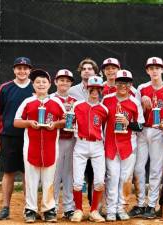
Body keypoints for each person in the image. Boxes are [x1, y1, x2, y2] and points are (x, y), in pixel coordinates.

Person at [14, 69, 66, 223]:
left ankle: (48, 209)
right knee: (31, 179)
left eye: (44, 82)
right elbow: (16, 122)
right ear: (33, 85)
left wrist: (55, 124)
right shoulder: (28, 102)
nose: (41, 84)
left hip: (51, 147)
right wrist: (29, 123)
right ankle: (30, 209)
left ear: (50, 84)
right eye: (37, 82)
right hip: (31, 147)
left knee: (49, 179)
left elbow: (65, 121)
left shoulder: (56, 102)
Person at [129, 57, 163, 219]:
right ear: (147, 71)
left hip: (159, 132)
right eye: (151, 68)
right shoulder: (141, 88)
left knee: (156, 169)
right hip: (143, 131)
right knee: (138, 168)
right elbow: (135, 113)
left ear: (162, 70)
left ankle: (151, 205)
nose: (154, 70)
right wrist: (142, 103)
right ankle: (141, 203)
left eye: (157, 68)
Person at [0, 57, 34, 220]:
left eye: (25, 68)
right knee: (8, 172)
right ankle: (5, 207)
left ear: (30, 70)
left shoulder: (35, 87)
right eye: (19, 68)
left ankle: (29, 208)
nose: (22, 71)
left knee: (27, 173)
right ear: (14, 70)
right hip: (8, 136)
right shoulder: (5, 88)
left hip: (30, 136)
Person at [103, 69, 144, 222]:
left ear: (130, 85)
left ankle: (121, 208)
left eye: (125, 83)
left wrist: (128, 124)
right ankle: (111, 209)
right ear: (115, 83)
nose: (122, 86)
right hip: (111, 144)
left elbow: (140, 126)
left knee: (125, 178)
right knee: (112, 176)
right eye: (119, 82)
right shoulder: (107, 99)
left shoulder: (135, 102)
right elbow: (100, 121)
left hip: (128, 145)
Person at [70, 76, 108, 222]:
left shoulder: (104, 109)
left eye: (98, 89)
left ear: (101, 91)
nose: (95, 92)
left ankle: (93, 211)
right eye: (92, 89)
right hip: (81, 143)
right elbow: (70, 122)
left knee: (99, 181)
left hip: (98, 145)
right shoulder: (77, 105)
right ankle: (78, 210)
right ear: (87, 89)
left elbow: (104, 127)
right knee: (78, 181)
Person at [68, 58, 99, 206]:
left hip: (96, 139)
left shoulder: (101, 88)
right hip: (78, 139)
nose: (87, 70)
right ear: (80, 72)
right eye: (84, 68)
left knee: (94, 174)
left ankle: (94, 204)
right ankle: (75, 206)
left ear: (95, 72)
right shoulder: (72, 90)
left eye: (90, 68)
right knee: (78, 173)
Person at [51, 69, 76, 220]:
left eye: (67, 80)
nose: (64, 82)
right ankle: (51, 206)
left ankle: (69, 207)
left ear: (71, 83)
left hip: (72, 140)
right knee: (54, 175)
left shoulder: (74, 101)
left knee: (69, 175)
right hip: (55, 140)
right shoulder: (50, 99)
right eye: (61, 80)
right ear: (55, 81)